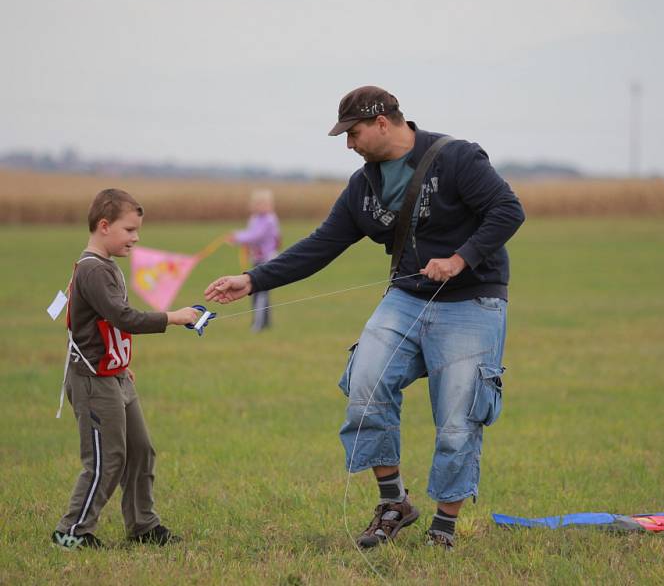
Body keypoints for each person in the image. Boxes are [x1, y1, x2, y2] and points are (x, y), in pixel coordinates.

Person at [205, 86, 525, 549]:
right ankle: (395, 502)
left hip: (472, 301)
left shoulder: (457, 158)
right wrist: (253, 280)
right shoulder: (363, 186)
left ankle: (445, 528)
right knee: (364, 386)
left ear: (382, 123)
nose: (348, 144)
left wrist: (460, 259)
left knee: (458, 417)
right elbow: (321, 244)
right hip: (406, 298)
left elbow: (507, 210)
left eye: (352, 133)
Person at [52, 188, 199, 550]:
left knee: (140, 450)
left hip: (115, 376)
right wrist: (173, 317)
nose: (136, 238)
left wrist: (120, 365)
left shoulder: (107, 266)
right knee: (106, 459)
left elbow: (105, 325)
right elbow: (124, 317)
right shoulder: (92, 270)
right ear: (104, 226)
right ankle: (71, 532)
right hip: (92, 382)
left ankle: (143, 525)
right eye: (129, 230)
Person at [228, 189, 281, 331]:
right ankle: (262, 322)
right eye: (258, 203)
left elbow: (256, 235)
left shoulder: (270, 219)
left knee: (261, 293)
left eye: (264, 203)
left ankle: (258, 324)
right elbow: (251, 234)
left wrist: (237, 237)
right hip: (257, 259)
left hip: (267, 260)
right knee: (255, 293)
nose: (261, 206)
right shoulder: (254, 218)